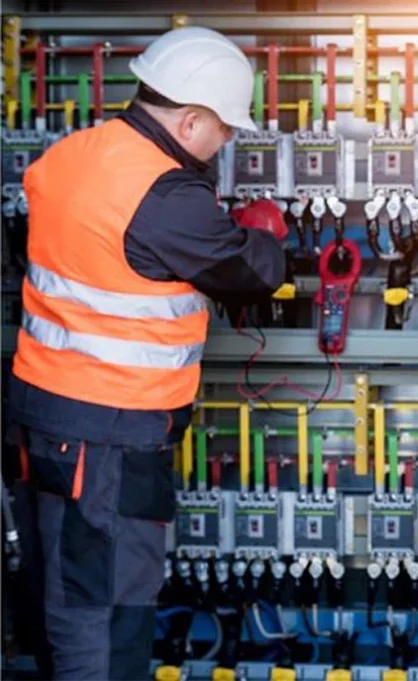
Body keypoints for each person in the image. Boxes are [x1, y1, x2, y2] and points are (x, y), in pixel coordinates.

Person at [5, 27, 288, 680]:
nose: (226, 142)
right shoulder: (163, 196)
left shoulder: (70, 155)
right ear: (190, 121)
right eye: (224, 129)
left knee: (59, 596)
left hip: (42, 416)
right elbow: (251, 273)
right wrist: (264, 230)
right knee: (105, 613)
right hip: (108, 435)